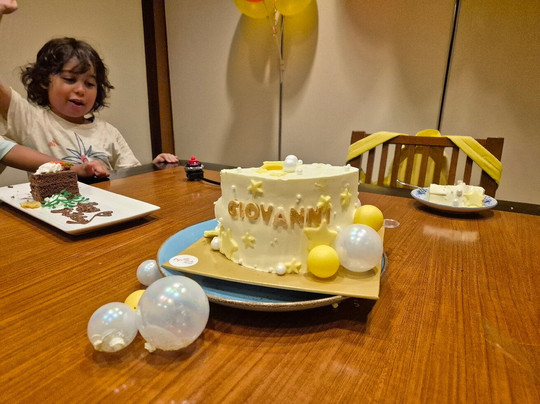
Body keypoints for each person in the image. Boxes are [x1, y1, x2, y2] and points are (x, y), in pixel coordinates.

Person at [0, 0, 178, 178]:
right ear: (45, 80)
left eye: (90, 83)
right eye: (70, 79)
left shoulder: (108, 132)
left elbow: (131, 178)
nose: (81, 90)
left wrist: (154, 170)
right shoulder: (31, 121)